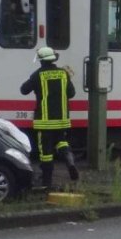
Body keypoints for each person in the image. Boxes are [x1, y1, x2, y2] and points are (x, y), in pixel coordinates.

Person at [19, 46, 78, 189]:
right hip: (62, 120)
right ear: (53, 59)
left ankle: (46, 182)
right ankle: (70, 162)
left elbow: (23, 90)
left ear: (41, 61)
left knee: (46, 152)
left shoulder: (37, 75)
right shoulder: (64, 73)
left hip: (44, 122)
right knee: (62, 142)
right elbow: (71, 93)